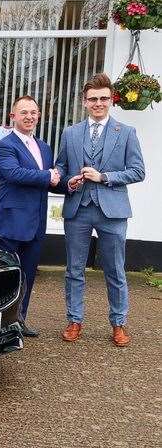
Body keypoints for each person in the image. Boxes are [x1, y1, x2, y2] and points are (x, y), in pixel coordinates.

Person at [54, 73, 145, 347]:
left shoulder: (126, 133)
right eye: (93, 99)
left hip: (112, 211)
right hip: (78, 209)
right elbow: (60, 167)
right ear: (84, 102)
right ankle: (74, 320)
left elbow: (138, 171)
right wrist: (68, 180)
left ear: (111, 100)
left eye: (103, 98)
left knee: (115, 270)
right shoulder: (70, 133)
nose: (98, 103)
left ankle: (118, 324)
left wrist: (104, 177)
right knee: (74, 269)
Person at [0, 95, 59, 338]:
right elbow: (14, 173)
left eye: (33, 112)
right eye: (24, 112)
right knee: (4, 276)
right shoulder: (4, 145)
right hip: (10, 223)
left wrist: (70, 184)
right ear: (13, 116)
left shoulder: (44, 147)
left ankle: (18, 321)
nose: (29, 117)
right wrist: (49, 176)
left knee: (27, 275)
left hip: (36, 224)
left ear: (39, 116)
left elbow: (50, 180)